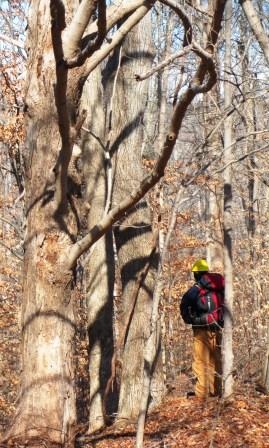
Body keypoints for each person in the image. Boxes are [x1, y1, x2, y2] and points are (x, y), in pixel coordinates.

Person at [180, 259, 224, 398]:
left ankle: (201, 394)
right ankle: (216, 391)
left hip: (201, 328)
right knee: (215, 360)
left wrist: (189, 319)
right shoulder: (219, 285)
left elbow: (184, 302)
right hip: (218, 327)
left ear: (197, 273)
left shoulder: (198, 288)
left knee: (200, 360)